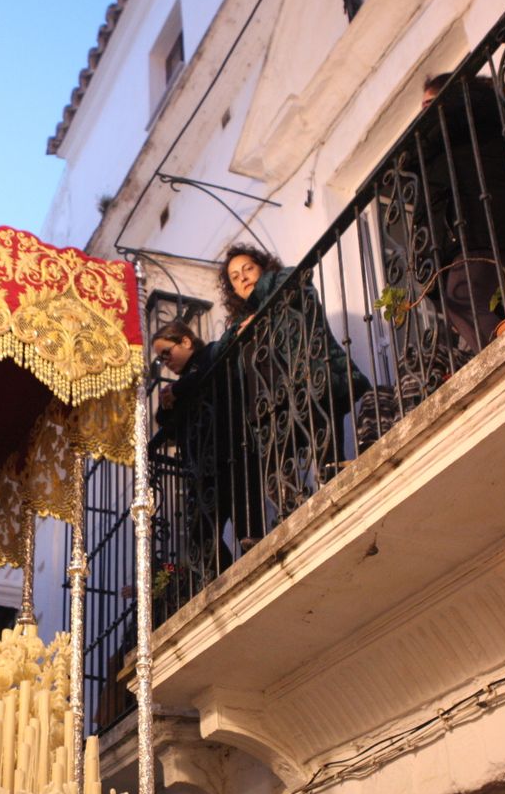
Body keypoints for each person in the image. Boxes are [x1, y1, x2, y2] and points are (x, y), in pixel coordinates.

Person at [217, 244, 371, 509]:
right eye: (235, 277)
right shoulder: (239, 324)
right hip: (271, 407)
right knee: (277, 481)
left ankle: (337, 494)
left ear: (262, 268)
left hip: (308, 381)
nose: (243, 278)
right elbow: (218, 355)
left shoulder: (283, 279)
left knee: (327, 456)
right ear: (232, 289)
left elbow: (297, 286)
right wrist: (237, 333)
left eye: (248, 269)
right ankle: (294, 511)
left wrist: (258, 317)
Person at [415, 73, 505, 351]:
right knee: (483, 305)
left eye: (428, 106)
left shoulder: (471, 112)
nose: (424, 117)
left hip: (484, 230)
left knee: (463, 299)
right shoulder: (452, 134)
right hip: (478, 233)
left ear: (450, 96)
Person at [153, 319, 265, 575]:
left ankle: (253, 569)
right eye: (161, 359)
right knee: (200, 534)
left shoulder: (212, 353)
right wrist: (171, 397)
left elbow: (206, 371)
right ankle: (227, 578)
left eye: (167, 353)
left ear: (185, 341)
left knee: (246, 523)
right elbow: (164, 420)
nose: (166, 362)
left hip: (233, 452)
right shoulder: (181, 385)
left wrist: (177, 390)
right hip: (203, 468)